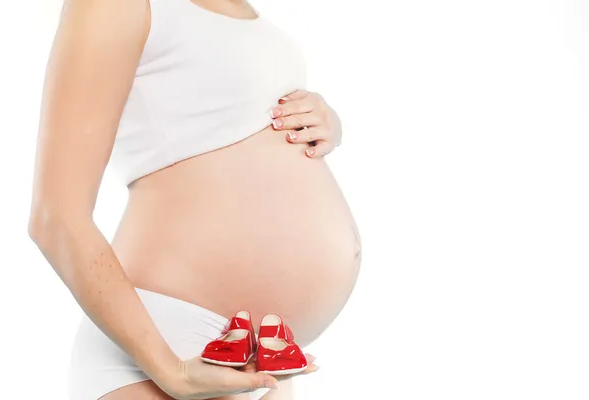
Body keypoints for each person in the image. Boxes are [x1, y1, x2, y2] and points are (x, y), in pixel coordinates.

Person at [28, 0, 362, 399]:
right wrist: (171, 370)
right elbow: (55, 218)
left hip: (263, 358)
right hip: (165, 346)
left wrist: (326, 125)